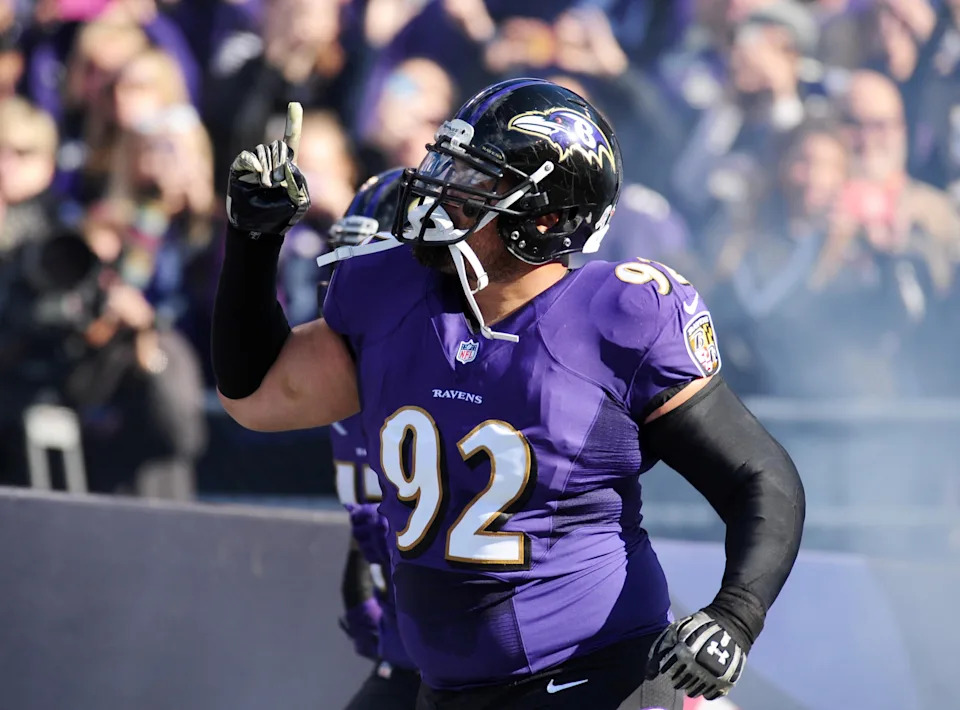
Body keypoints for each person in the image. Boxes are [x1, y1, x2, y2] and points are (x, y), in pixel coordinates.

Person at [212, 83, 805, 709]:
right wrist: (253, 242)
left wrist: (735, 616)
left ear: (543, 219)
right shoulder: (393, 294)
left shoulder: (618, 318)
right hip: (448, 689)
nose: (441, 192)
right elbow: (257, 395)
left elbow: (760, 476)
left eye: (473, 182)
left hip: (595, 679)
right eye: (448, 164)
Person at [323, 169, 421, 710]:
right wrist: (364, 571)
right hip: (415, 651)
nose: (343, 286)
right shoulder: (343, 380)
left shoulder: (454, 379)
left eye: (366, 265)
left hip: (505, 662)